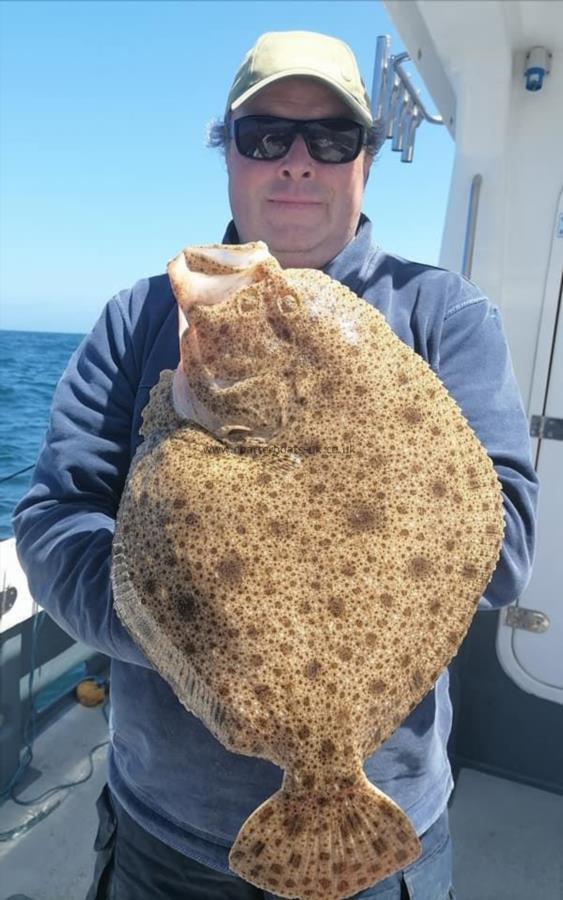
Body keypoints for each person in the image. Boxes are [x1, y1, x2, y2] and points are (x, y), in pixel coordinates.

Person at [13, 30, 538, 900]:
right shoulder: (136, 315)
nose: (298, 162)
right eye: (265, 137)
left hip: (391, 822)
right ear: (228, 153)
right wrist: (187, 635)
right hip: (165, 831)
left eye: (330, 140)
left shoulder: (445, 314)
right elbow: (54, 519)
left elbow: (506, 542)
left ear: (364, 161)